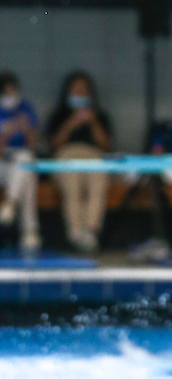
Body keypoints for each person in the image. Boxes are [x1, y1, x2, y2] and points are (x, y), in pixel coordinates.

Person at [46, 71, 112, 254]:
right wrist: (70, 124)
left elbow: (106, 146)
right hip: (67, 154)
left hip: (93, 155)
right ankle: (75, 232)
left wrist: (93, 123)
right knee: (72, 186)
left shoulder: (99, 115)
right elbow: (54, 146)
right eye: (76, 89)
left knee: (98, 181)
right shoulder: (59, 115)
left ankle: (90, 231)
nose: (80, 93)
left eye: (83, 90)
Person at [0, 72, 41, 254]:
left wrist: (26, 130)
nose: (11, 96)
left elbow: (32, 147)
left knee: (26, 164)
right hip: (1, 161)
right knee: (26, 173)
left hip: (18, 161)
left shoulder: (26, 108)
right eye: (6, 93)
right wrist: (6, 133)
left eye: (13, 92)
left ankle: (10, 204)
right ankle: (29, 231)